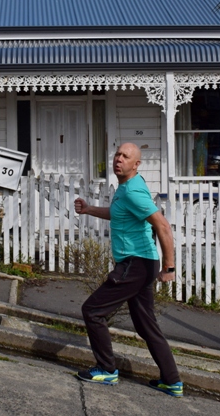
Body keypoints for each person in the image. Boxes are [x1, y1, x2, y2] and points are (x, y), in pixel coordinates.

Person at [73, 142, 183, 397]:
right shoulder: (126, 188)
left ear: (136, 164)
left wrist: (169, 266)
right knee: (146, 326)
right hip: (140, 263)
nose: (119, 159)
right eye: (117, 154)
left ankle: (106, 369)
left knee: (92, 310)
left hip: (135, 263)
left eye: (125, 156)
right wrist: (89, 209)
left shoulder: (133, 190)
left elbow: (163, 227)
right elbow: (118, 213)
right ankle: (172, 381)